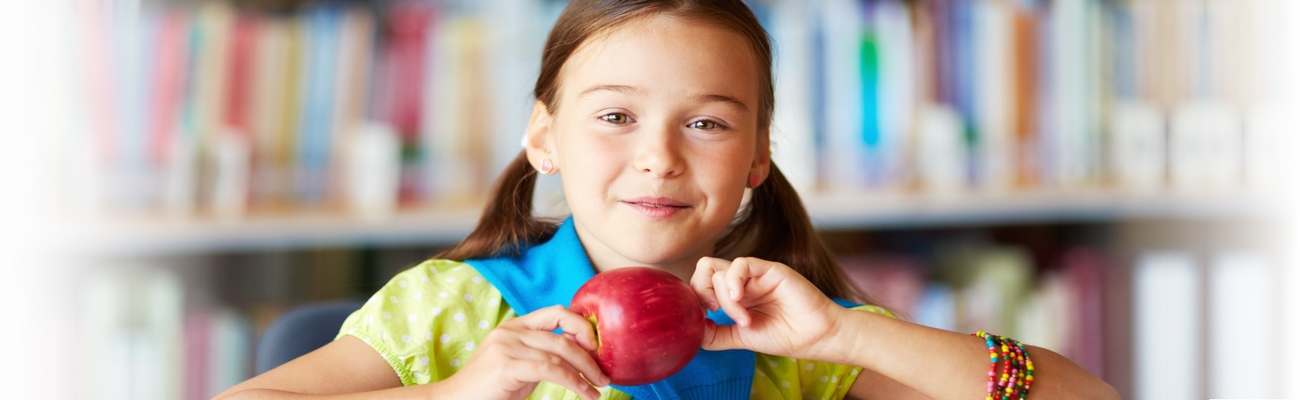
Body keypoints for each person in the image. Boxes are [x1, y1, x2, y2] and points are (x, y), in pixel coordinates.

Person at [216, 0, 1119, 399]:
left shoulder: (790, 344)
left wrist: (851, 333)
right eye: (615, 116)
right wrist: (462, 391)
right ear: (545, 138)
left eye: (709, 124)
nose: (657, 158)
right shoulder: (452, 312)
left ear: (759, 156)